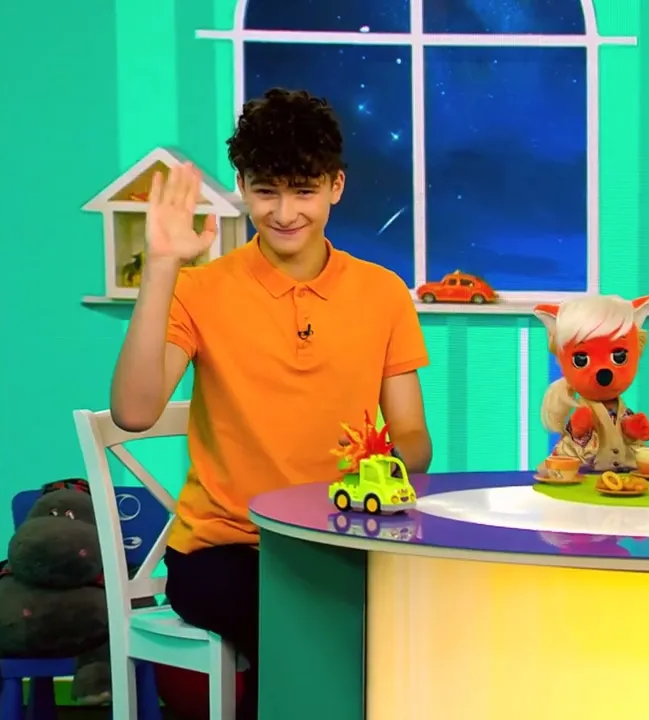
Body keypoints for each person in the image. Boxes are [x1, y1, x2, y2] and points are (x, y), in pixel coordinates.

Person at [109, 88, 432, 718]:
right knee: (305, 618)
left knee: (419, 608)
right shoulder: (199, 289)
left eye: (304, 191)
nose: (284, 213)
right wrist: (163, 266)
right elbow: (134, 412)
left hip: (342, 539)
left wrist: (387, 463)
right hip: (222, 550)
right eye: (266, 191)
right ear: (242, 187)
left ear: (336, 186)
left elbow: (415, 437)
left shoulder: (383, 293)